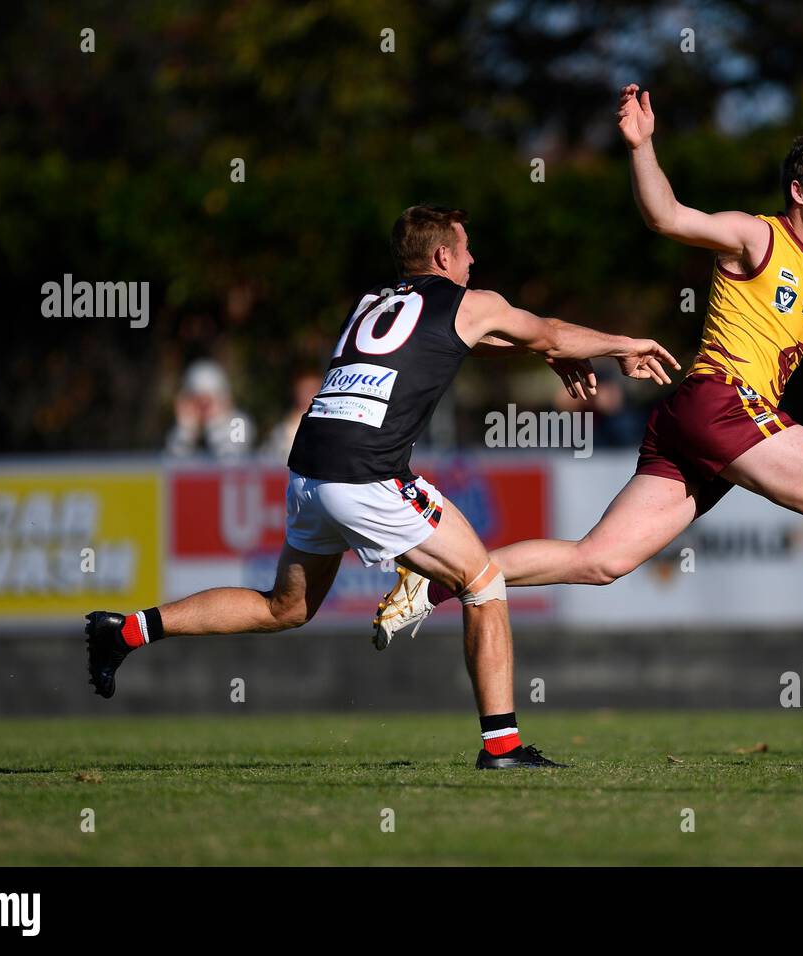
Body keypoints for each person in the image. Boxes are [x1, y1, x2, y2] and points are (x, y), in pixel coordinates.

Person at [373, 87, 803, 706]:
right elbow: (667, 216)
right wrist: (639, 146)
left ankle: (429, 586)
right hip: (723, 401)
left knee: (600, 562)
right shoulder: (757, 235)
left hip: (698, 419)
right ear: (799, 192)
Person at [85, 204, 680, 768]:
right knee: (484, 580)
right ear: (444, 257)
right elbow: (543, 328)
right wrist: (623, 345)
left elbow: (474, 339)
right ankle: (502, 748)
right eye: (466, 250)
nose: (473, 261)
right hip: (366, 474)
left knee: (285, 607)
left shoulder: (373, 301)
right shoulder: (473, 302)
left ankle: (130, 628)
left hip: (309, 470)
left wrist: (540, 347)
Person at [165, 358, 256, 460]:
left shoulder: (239, 423)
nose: (203, 407)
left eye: (208, 400)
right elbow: (173, 464)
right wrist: (186, 431)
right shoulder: (187, 427)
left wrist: (215, 422)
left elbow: (231, 460)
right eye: (197, 400)